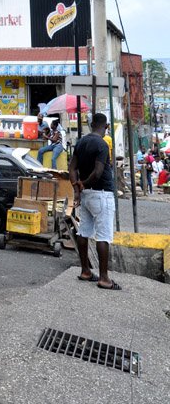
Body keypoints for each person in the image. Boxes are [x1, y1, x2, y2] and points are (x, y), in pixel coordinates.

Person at [69, 111, 121, 291]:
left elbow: (72, 167)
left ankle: (85, 271)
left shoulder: (81, 142)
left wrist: (78, 187)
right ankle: (104, 278)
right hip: (102, 194)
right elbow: (98, 173)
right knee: (103, 236)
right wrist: (83, 183)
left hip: (86, 195)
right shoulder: (102, 144)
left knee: (84, 232)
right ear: (106, 127)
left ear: (91, 125)